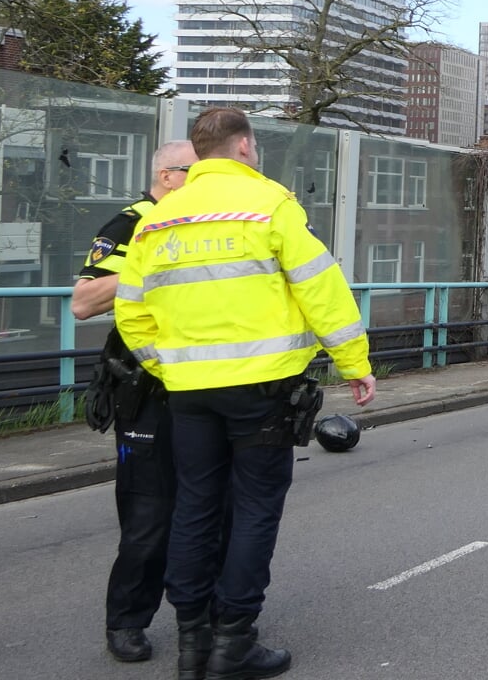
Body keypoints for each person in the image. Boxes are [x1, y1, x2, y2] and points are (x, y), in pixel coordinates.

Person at [114, 108, 373, 680]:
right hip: (262, 388)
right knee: (254, 509)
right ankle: (235, 640)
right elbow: (320, 288)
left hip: (188, 393)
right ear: (244, 147)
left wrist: (169, 365)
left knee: (195, 508)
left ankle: (191, 644)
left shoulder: (158, 219)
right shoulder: (271, 205)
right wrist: (354, 362)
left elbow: (130, 310)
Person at [72, 139, 196, 664]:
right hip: (146, 389)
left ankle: (204, 613)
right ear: (168, 176)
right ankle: (126, 620)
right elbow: (83, 300)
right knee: (149, 513)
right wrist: (153, 267)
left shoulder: (205, 223)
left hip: (200, 383)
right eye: (198, 172)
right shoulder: (132, 223)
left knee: (209, 507)